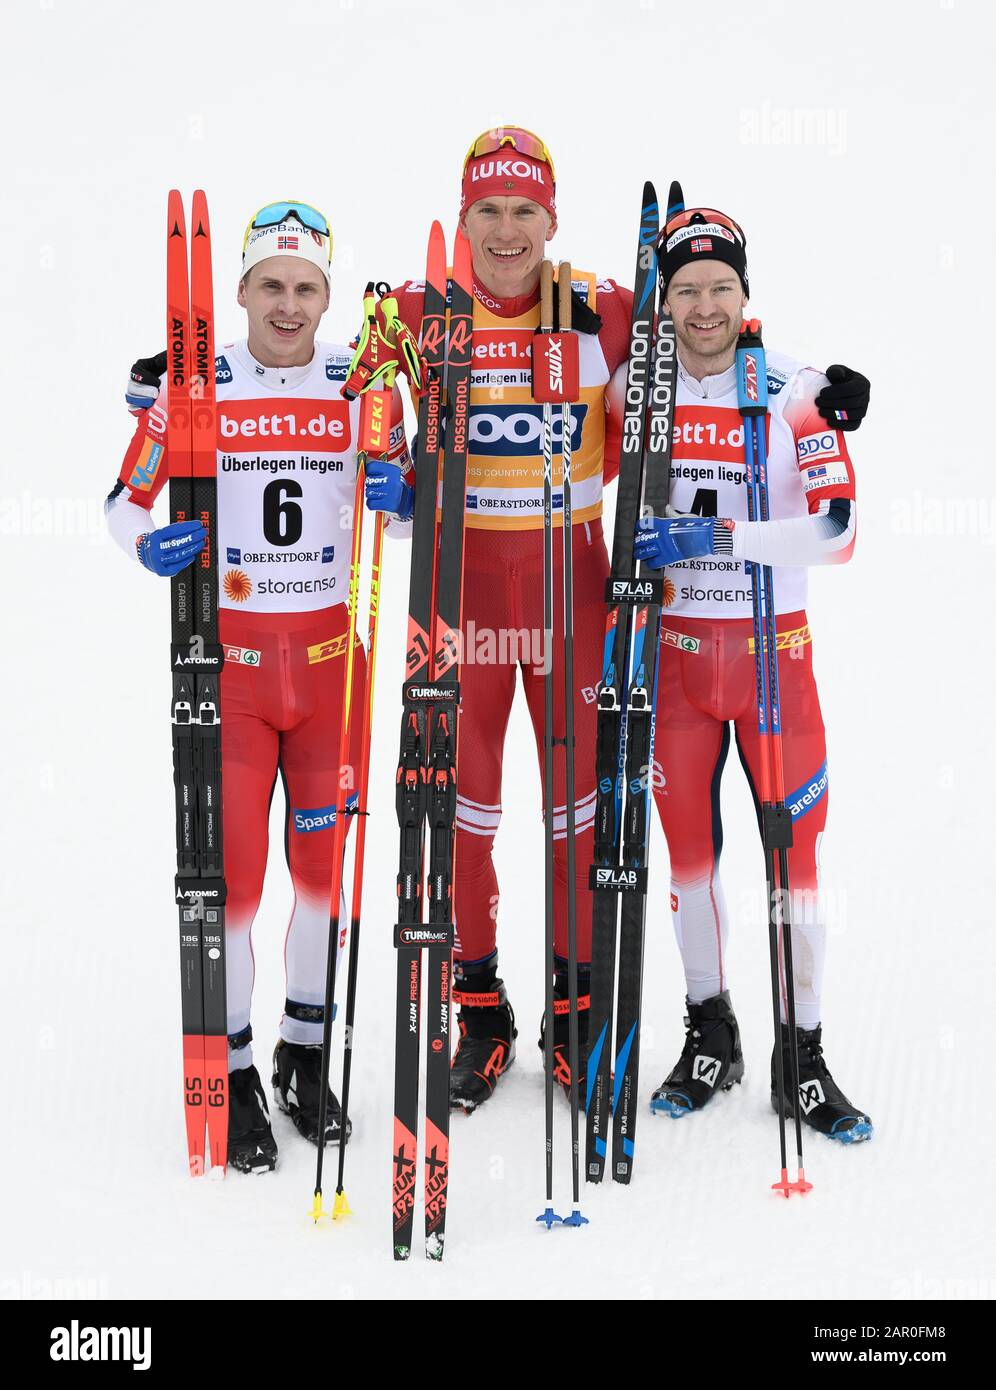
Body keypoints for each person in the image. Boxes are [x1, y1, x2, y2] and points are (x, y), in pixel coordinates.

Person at [366, 129, 871, 1114]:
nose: (507, 230)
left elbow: (724, 345)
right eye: (488, 211)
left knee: (581, 819)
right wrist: (183, 376)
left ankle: (575, 1008)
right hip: (462, 599)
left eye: (526, 211)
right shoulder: (421, 314)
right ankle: (481, 1013)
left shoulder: (604, 312)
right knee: (462, 819)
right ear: (464, 217)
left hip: (573, 591)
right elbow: (328, 363)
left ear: (552, 219)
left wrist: (823, 386)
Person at [106, 200, 412, 1171]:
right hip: (230, 672)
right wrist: (146, 545)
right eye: (271, 285)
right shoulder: (196, 382)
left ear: (328, 297)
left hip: (332, 672)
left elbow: (400, 522)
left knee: (324, 883)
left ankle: (303, 1053)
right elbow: (124, 498)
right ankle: (232, 1067)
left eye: (307, 287)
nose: (289, 304)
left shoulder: (359, 382)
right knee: (232, 882)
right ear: (239, 291)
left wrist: (401, 497)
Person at [632, 202, 872, 1142]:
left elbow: (839, 532)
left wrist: (728, 535)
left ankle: (803, 1057)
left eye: (720, 287)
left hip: (776, 665)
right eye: (686, 288)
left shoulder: (793, 391)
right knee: (690, 863)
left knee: (795, 867)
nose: (703, 307)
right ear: (666, 297)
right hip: (680, 664)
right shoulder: (637, 386)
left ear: (745, 292)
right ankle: (710, 1032)